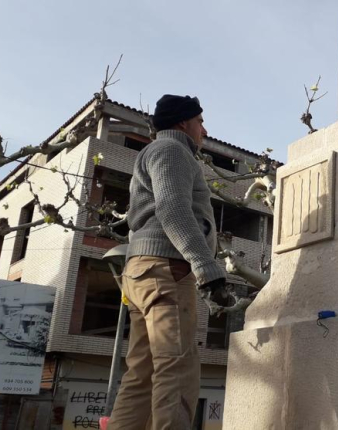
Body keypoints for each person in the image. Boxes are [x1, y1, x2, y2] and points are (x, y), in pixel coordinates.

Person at [108, 94, 227, 430]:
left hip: (144, 270)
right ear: (182, 123)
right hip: (167, 268)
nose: (204, 129)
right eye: (200, 121)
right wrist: (206, 267)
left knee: (142, 373)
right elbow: (173, 208)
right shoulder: (172, 151)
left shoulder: (155, 153)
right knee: (176, 369)